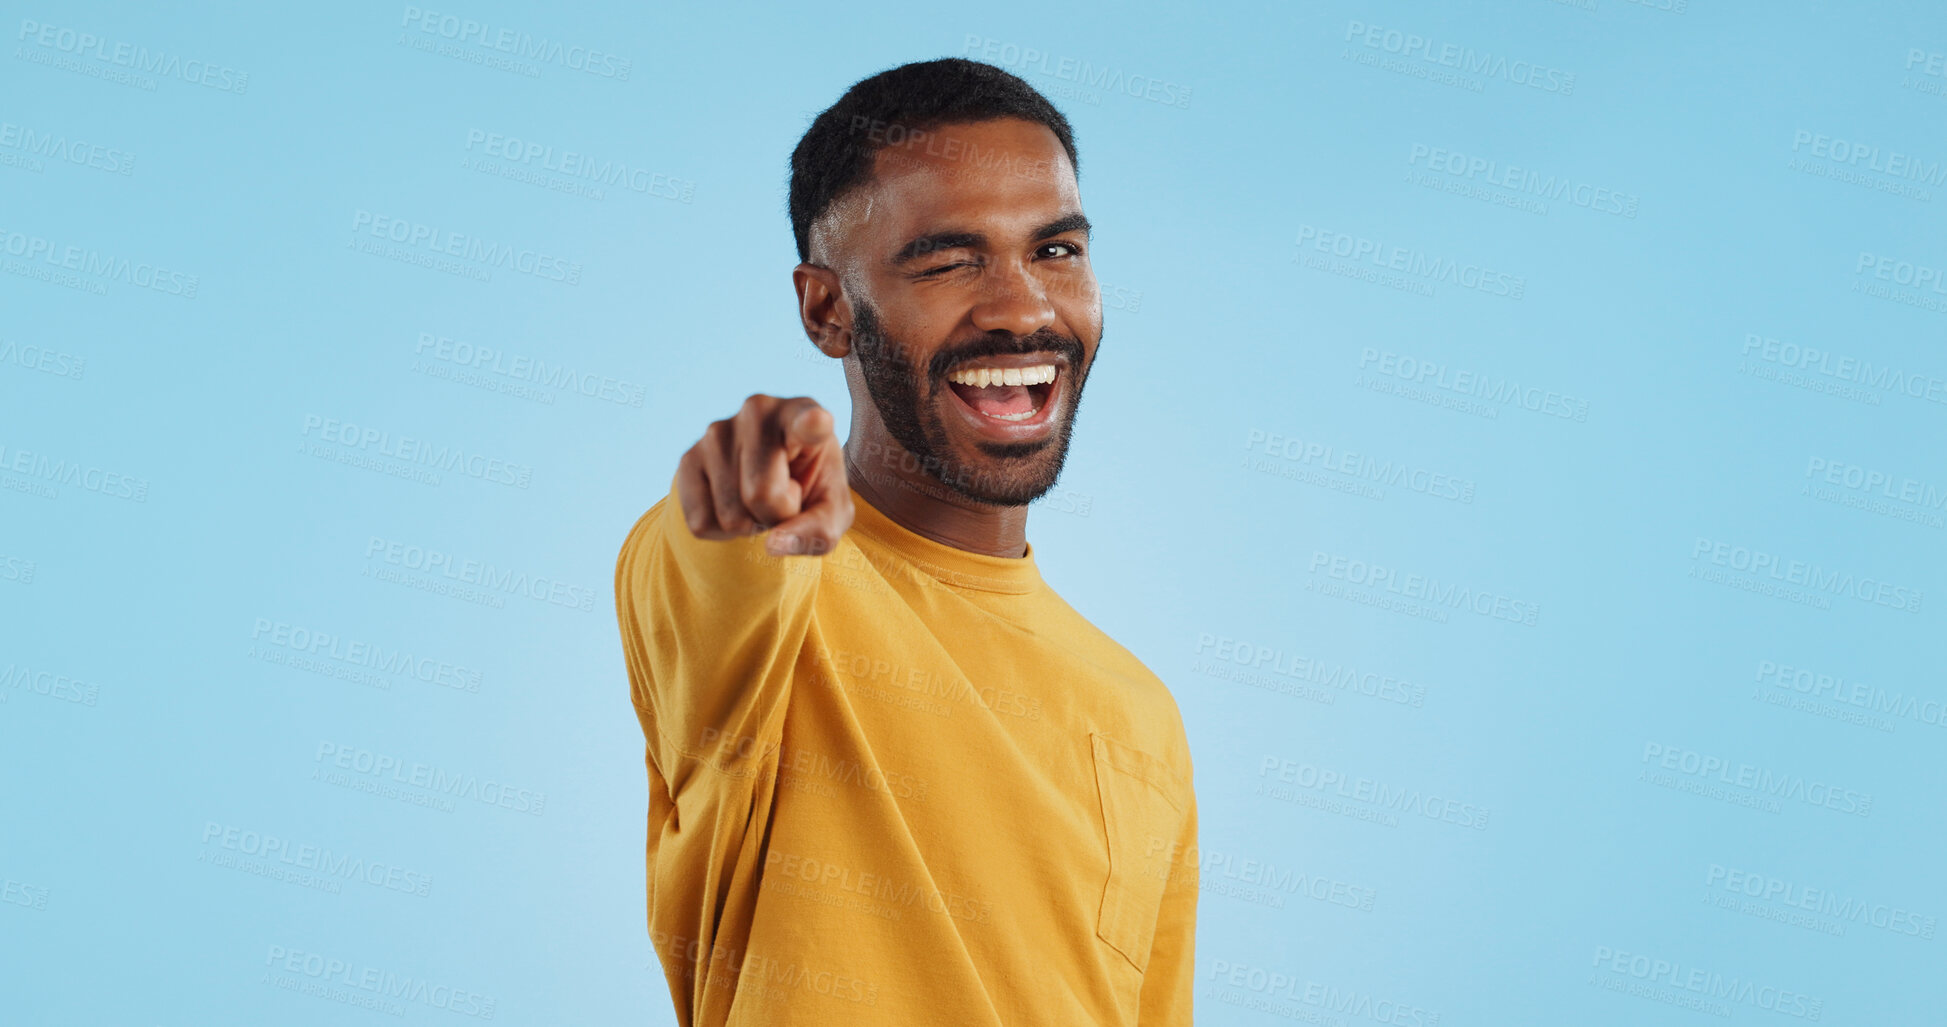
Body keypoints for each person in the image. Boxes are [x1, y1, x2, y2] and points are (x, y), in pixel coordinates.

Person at [614, 57, 1197, 1026]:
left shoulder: (1140, 716)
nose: (1022, 307)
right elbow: (706, 562)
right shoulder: (772, 594)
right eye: (948, 260)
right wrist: (745, 492)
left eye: (1056, 252)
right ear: (827, 309)